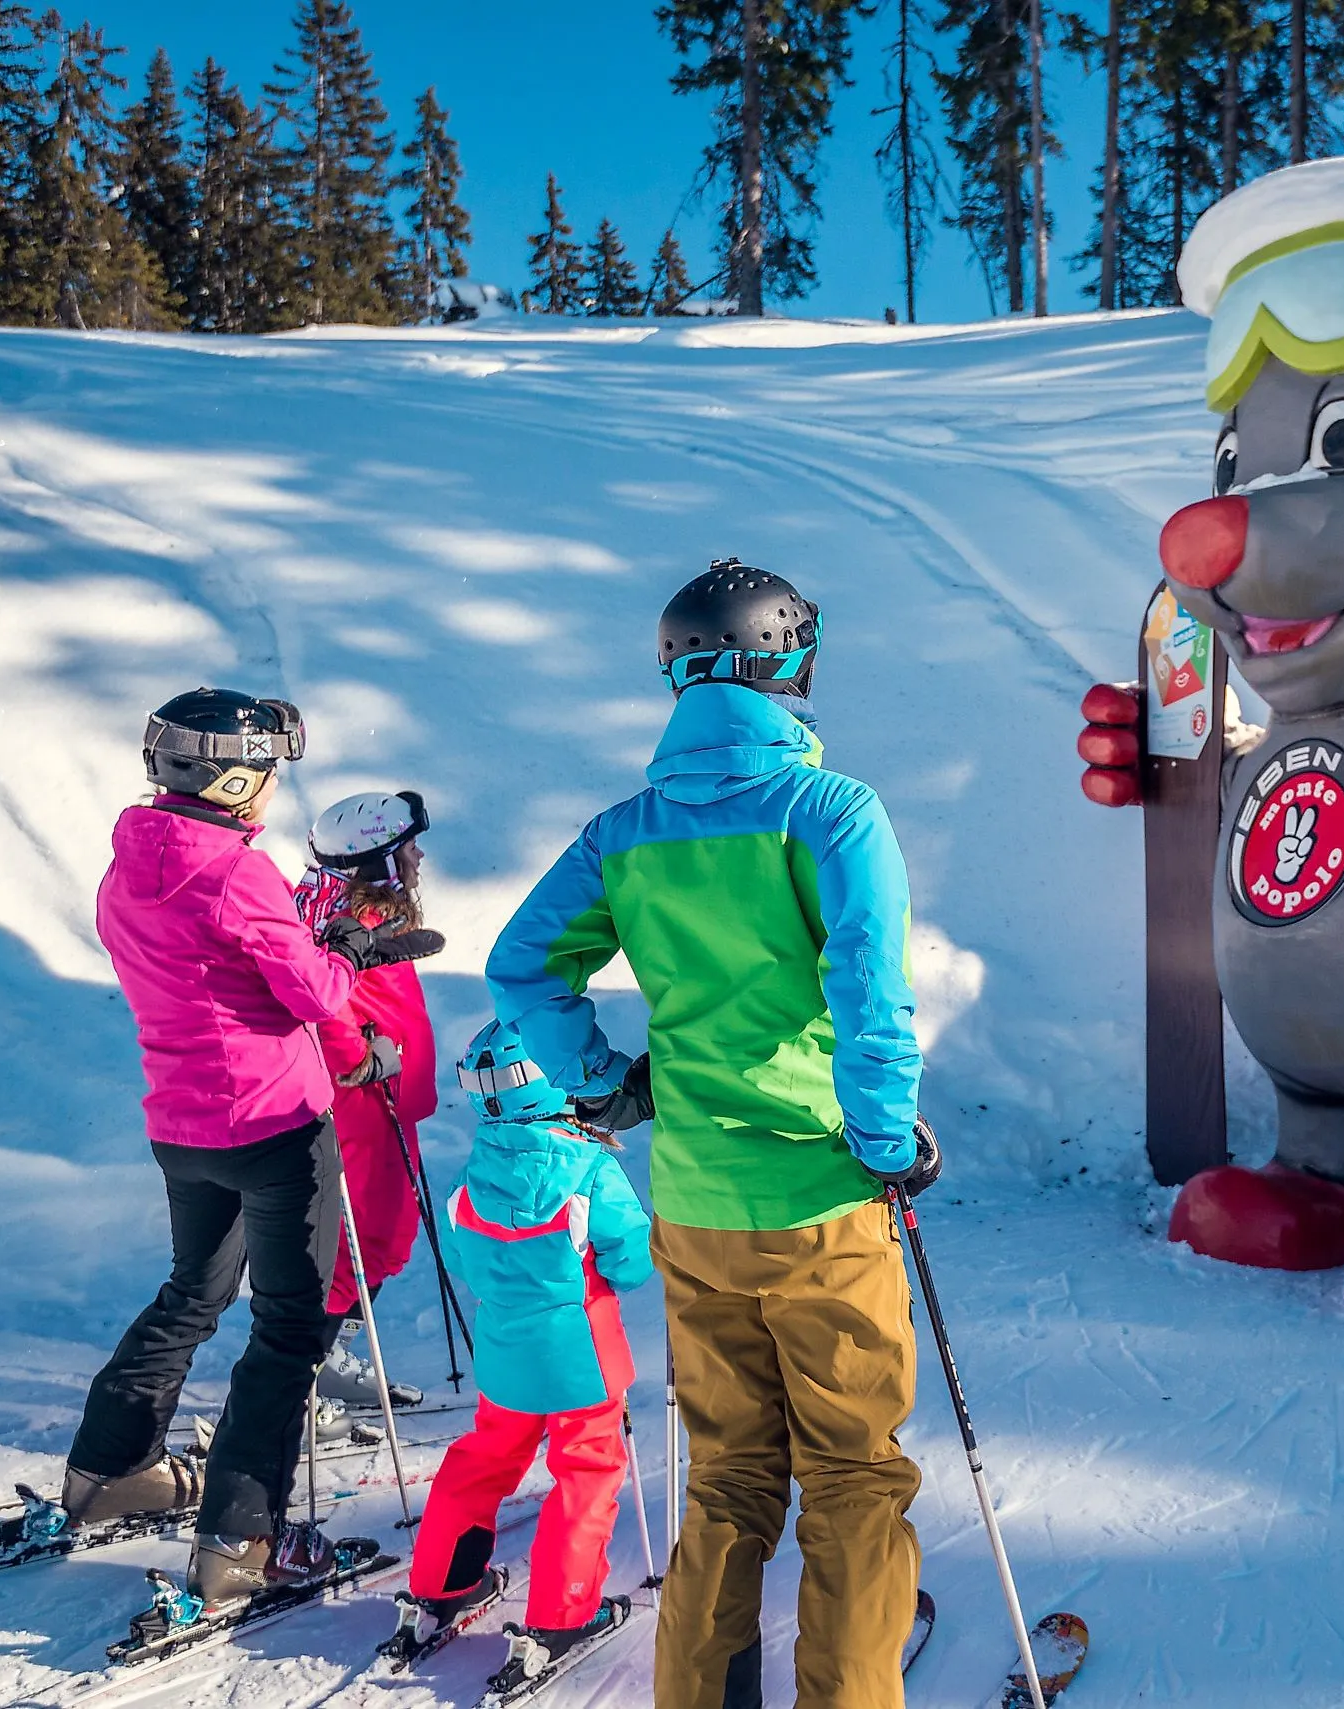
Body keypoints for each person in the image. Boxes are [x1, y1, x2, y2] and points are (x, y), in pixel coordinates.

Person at [487, 561, 942, 1709]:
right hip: (821, 1199)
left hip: (693, 1202)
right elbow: (872, 997)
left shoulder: (623, 832)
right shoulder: (828, 809)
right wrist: (888, 1140)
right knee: (850, 1473)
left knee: (731, 1474)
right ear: (783, 663)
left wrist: (606, 1081)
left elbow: (522, 967)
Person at [64, 687, 444, 1611]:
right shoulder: (238, 872)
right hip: (272, 1125)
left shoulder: (127, 868)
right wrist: (351, 947)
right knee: (287, 1328)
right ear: (233, 777)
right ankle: (244, 1537)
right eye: (267, 768)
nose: (273, 785)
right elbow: (314, 991)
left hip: (182, 1122)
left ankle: (110, 1467)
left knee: (194, 1290)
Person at [402, 1020, 653, 1689]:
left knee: (485, 1456)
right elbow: (631, 1256)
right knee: (585, 1471)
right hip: (580, 1359)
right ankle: (562, 1611)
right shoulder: (591, 1167)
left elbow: (466, 1257)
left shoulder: (473, 1176)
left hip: (506, 1359)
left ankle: (443, 1578)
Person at [293, 789, 439, 1409]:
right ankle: (300, 1377)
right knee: (360, 1242)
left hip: (388, 1094)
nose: (418, 858)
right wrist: (357, 1062)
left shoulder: (369, 918)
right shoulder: (345, 925)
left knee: (385, 1235)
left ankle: (325, 1357)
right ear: (377, 863)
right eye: (407, 849)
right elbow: (323, 1002)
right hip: (361, 1099)